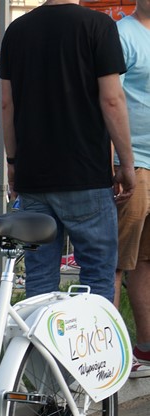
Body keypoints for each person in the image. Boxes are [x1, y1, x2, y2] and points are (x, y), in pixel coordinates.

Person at [1, 0, 134, 302]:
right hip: (86, 173)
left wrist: (12, 161)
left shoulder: (16, 30)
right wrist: (126, 163)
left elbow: (6, 104)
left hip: (33, 174)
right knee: (97, 274)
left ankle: (41, 334)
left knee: (39, 277)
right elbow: (112, 100)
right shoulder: (98, 25)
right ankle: (93, 333)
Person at [116, 0, 150, 374]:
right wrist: (118, 161)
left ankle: (145, 347)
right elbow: (110, 99)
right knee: (118, 260)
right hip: (134, 162)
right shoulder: (122, 34)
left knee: (146, 260)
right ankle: (109, 355)